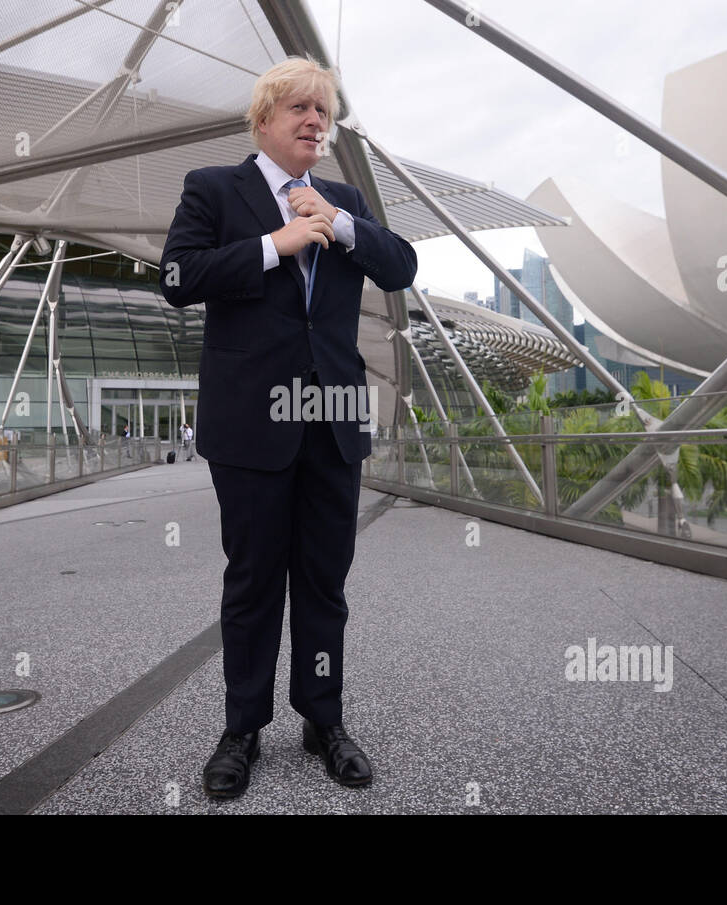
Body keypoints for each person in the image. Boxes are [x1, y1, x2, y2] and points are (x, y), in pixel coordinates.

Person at [160, 56, 417, 799]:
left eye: (324, 112)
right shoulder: (214, 188)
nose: (316, 121)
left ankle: (323, 717)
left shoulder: (341, 198)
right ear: (265, 117)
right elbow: (178, 278)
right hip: (250, 421)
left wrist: (336, 225)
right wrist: (280, 245)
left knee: (324, 580)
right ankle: (242, 728)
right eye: (301, 108)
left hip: (332, 417)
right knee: (251, 580)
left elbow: (401, 266)